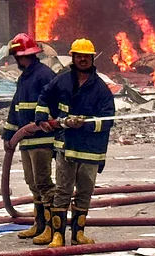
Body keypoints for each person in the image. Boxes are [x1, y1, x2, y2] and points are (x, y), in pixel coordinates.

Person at [34, 38, 114, 247]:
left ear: (92, 58)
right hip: (67, 147)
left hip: (90, 150)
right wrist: (42, 119)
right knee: (62, 191)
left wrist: (84, 124)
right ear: (73, 58)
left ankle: (78, 235)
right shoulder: (62, 81)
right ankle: (58, 236)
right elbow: (44, 97)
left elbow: (108, 120)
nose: (82, 60)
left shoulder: (101, 89)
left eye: (86, 56)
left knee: (85, 193)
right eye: (79, 56)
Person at [2, 33, 57, 245]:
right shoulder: (24, 78)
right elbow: (16, 108)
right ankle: (39, 224)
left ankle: (52, 228)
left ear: (23, 56)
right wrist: (9, 134)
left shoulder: (44, 76)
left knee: (44, 184)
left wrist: (44, 123)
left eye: (16, 56)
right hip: (25, 140)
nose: (16, 60)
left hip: (42, 140)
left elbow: (57, 107)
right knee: (33, 184)